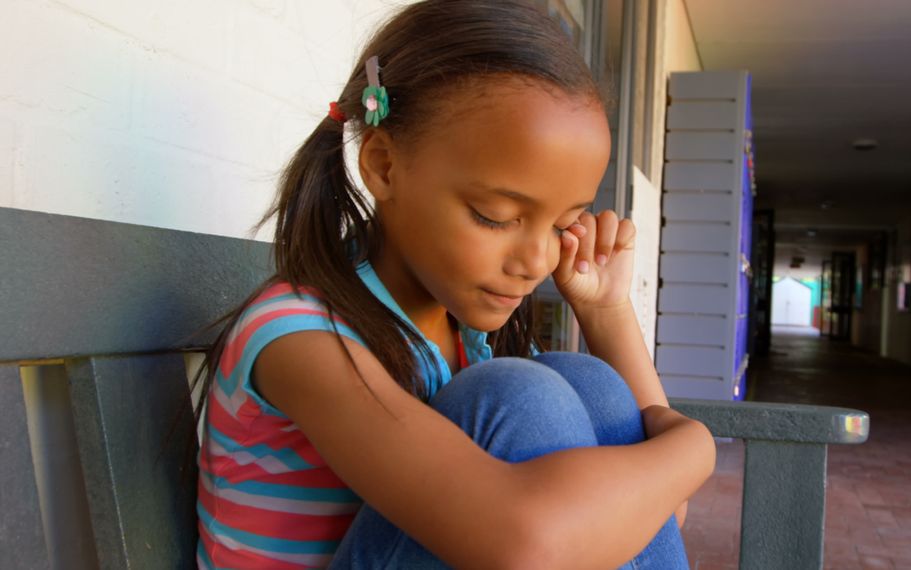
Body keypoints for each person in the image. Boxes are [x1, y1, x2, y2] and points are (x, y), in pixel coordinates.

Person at [193, 0, 716, 567]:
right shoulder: (301, 338)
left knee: (584, 381)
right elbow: (523, 545)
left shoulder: (461, 335)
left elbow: (659, 515)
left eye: (564, 224)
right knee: (522, 395)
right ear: (384, 166)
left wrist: (608, 310)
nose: (538, 261)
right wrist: (695, 447)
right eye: (495, 215)